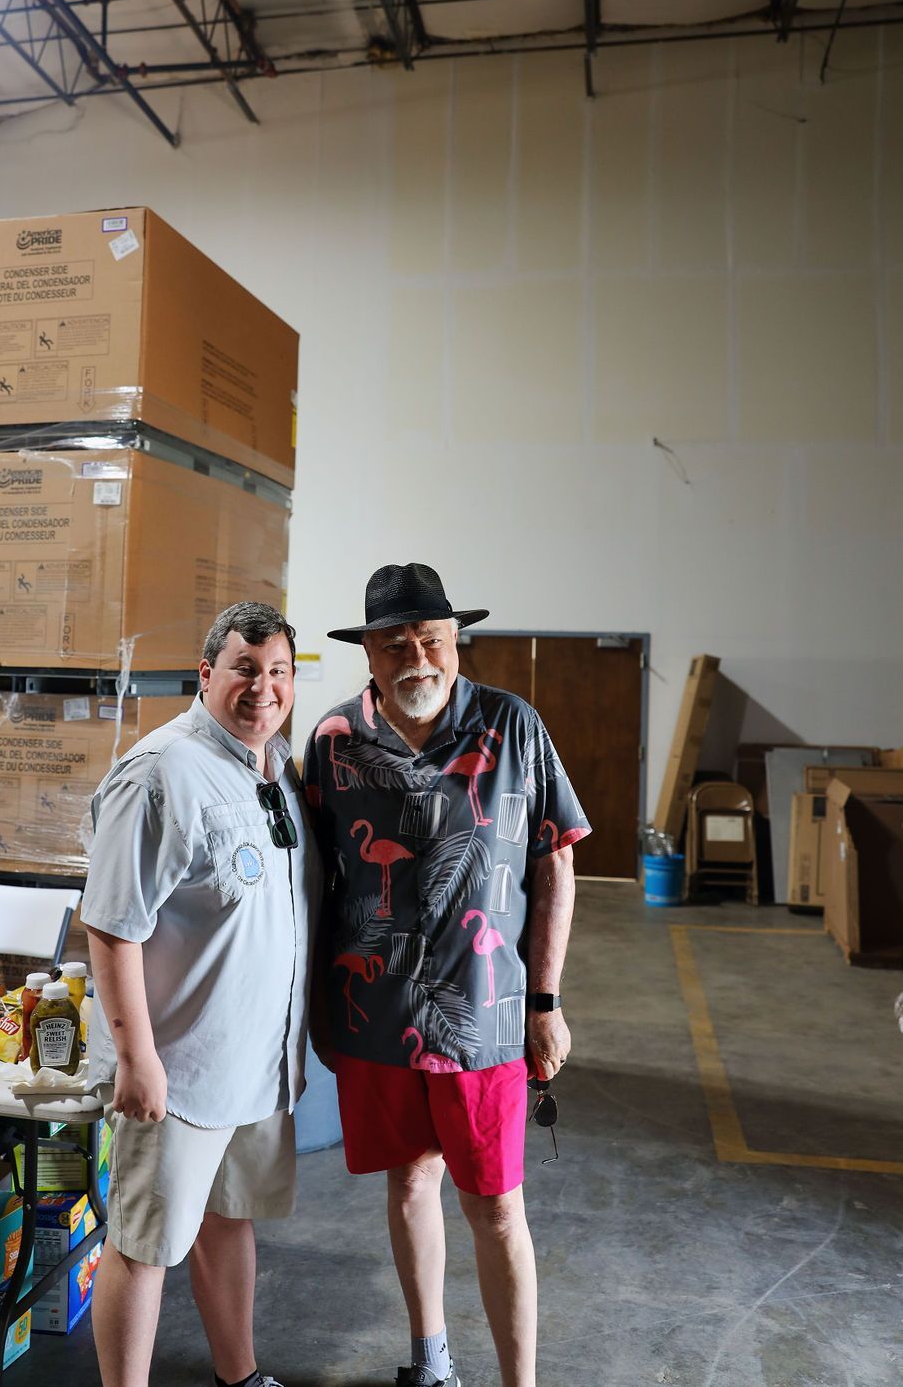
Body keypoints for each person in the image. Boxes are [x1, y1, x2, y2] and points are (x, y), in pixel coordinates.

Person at [304, 564, 590, 1387]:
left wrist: (546, 1001)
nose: (416, 658)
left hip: (487, 1014)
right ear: (369, 654)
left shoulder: (513, 725)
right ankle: (431, 1360)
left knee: (497, 1205)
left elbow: (556, 867)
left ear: (455, 642)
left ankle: (518, 1382)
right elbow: (316, 882)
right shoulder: (330, 743)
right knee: (408, 1178)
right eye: (395, 644)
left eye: (431, 640)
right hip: (377, 1014)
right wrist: (322, 1007)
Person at [81, 602, 321, 1387]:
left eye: (278, 671)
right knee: (144, 1245)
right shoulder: (162, 773)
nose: (263, 688)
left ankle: (240, 1375)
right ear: (207, 674)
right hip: (179, 1070)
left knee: (230, 1221)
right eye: (246, 668)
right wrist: (137, 1057)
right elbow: (113, 927)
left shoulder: (274, 769)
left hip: (254, 1067)